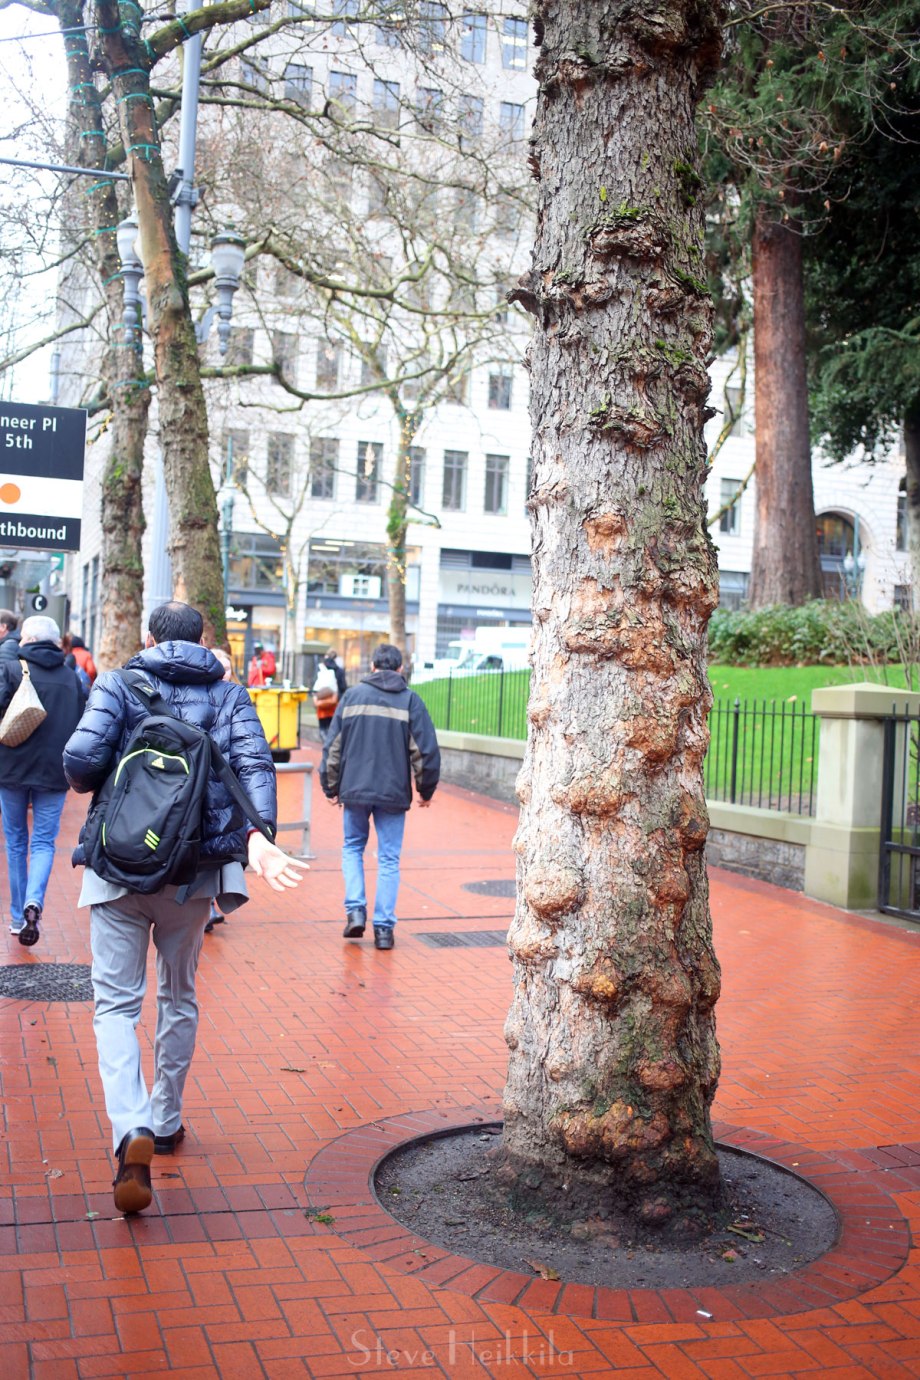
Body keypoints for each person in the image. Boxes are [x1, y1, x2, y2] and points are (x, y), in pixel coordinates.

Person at [63, 601, 309, 1214]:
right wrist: (260, 841)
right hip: (191, 878)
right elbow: (255, 768)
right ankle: (167, 1119)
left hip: (118, 870)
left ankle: (131, 1126)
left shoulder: (118, 684)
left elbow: (79, 764)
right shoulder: (229, 698)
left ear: (149, 637)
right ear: (203, 639)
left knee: (115, 1006)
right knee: (179, 994)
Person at [320, 642, 440, 951]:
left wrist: (330, 786)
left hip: (355, 789)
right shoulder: (410, 701)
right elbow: (424, 752)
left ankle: (356, 910)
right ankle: (384, 930)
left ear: (372, 666)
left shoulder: (352, 697)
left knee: (352, 848)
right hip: (392, 792)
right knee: (388, 858)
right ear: (400, 669)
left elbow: (333, 748)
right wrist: (425, 791)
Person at [0, 615, 86, 944]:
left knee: (16, 841)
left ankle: (17, 915)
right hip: (54, 772)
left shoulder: (11, 670)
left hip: (11, 770)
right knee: (43, 842)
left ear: (30, 639)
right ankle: (34, 901)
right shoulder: (71, 678)